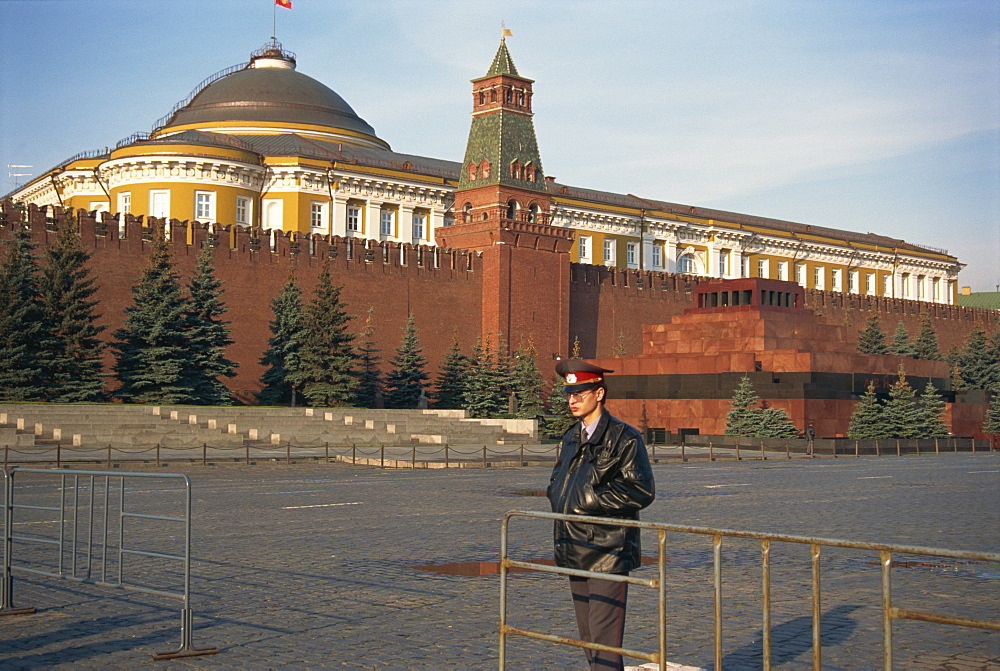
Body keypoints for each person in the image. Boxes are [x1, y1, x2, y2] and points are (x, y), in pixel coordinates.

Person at [546, 359, 656, 670]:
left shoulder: (624, 437)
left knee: (604, 639)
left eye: (580, 393)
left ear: (599, 393)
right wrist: (557, 494)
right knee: (588, 635)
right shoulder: (571, 436)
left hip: (608, 550)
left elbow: (641, 490)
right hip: (573, 545)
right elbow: (559, 479)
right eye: (569, 394)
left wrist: (590, 500)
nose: (572, 400)